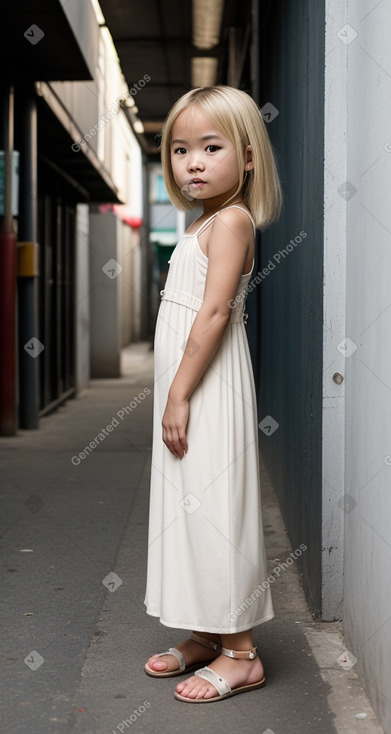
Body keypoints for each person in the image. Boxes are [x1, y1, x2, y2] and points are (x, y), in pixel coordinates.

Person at [144, 85, 282, 703]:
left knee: (216, 510)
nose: (192, 162)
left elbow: (215, 313)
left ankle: (243, 652)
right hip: (188, 385)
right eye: (179, 149)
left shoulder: (232, 220)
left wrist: (178, 395)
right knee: (189, 508)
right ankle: (206, 632)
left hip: (205, 387)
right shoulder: (206, 221)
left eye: (210, 147)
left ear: (248, 156)